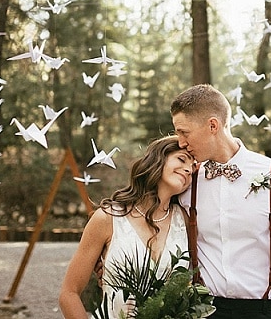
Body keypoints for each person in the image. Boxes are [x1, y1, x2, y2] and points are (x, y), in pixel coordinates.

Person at [171, 84, 271, 319]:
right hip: (204, 311)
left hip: (263, 311)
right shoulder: (186, 182)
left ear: (213, 125)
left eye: (184, 132)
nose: (180, 142)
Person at [58, 135, 196, 319]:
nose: (188, 169)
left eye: (193, 168)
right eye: (181, 159)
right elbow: (69, 293)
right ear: (158, 159)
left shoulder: (186, 221)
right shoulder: (108, 218)